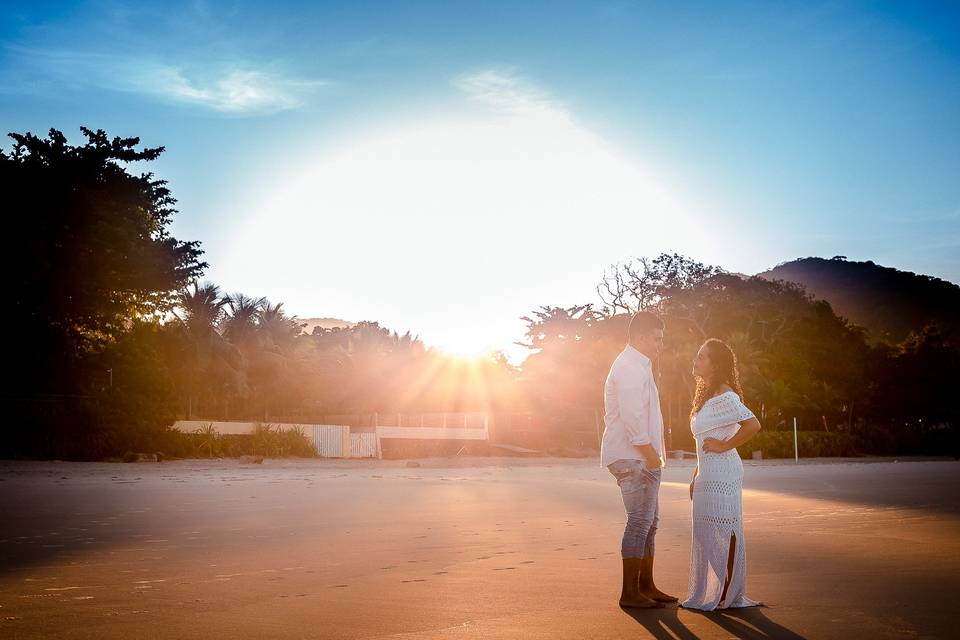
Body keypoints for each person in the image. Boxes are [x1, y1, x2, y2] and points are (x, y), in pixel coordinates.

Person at [602, 311, 677, 608]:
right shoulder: (630, 367)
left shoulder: (638, 365)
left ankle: (646, 585)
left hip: (638, 456)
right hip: (633, 457)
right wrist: (650, 455)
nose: (661, 345)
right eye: (658, 338)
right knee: (639, 521)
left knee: (650, 522)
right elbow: (633, 417)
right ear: (643, 336)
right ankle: (629, 593)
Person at [682, 338, 763, 611]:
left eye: (702, 356)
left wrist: (724, 446)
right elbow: (704, 439)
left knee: (725, 530)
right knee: (707, 531)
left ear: (715, 364)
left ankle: (728, 591)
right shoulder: (705, 395)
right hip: (707, 473)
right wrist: (696, 473)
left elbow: (753, 425)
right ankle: (715, 590)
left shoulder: (727, 396)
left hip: (725, 473)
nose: (696, 359)